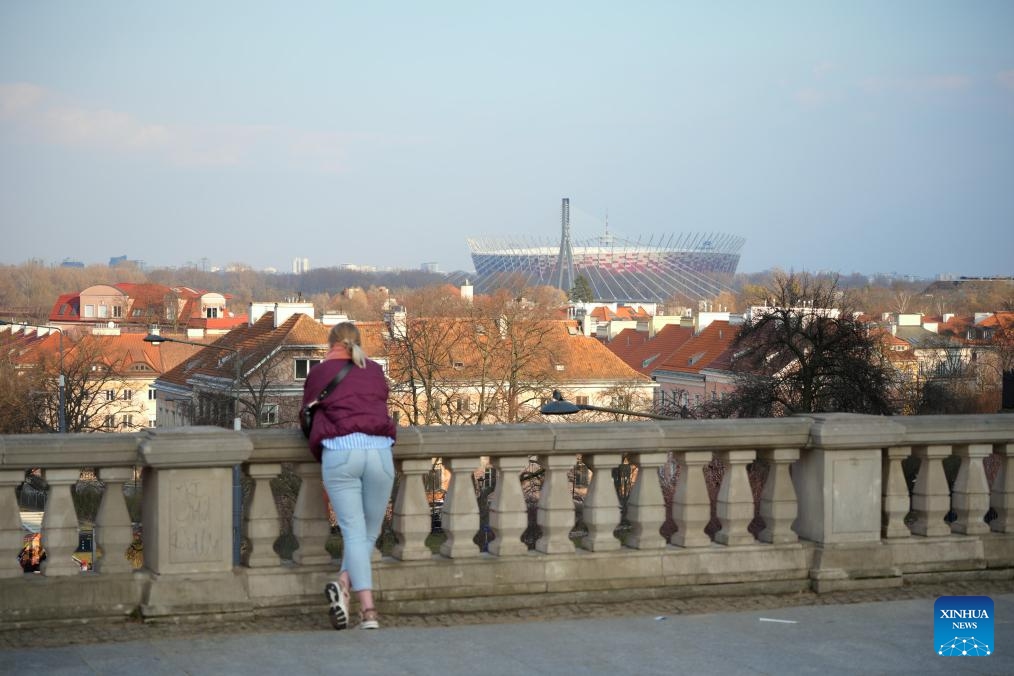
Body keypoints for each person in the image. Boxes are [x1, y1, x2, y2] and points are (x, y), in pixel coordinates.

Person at [303, 322, 397, 631]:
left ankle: (368, 611)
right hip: (380, 453)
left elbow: (307, 411)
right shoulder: (374, 370)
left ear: (330, 343)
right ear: (358, 342)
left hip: (341, 454)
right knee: (368, 534)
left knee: (354, 534)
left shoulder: (318, 373)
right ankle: (343, 585)